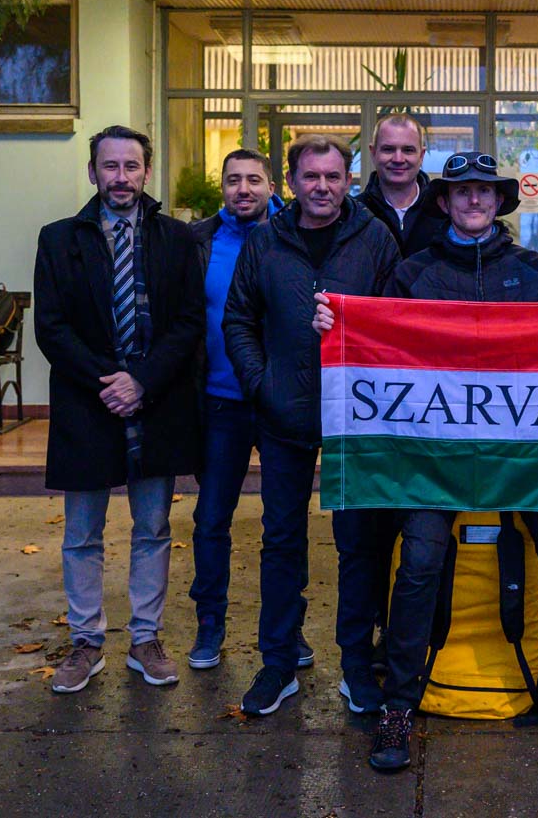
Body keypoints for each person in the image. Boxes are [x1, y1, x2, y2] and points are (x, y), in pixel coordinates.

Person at [313, 152, 538, 771]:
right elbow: (377, 346)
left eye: (484, 191)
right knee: (419, 562)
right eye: (461, 192)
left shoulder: (534, 272)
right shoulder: (414, 272)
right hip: (435, 460)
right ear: (444, 202)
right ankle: (399, 702)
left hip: (524, 458)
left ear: (500, 200)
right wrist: (338, 322)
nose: (474, 200)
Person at [222, 135, 401, 718]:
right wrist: (262, 384)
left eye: (332, 176)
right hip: (284, 412)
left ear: (349, 180)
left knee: (358, 544)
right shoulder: (266, 241)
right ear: (292, 182)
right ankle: (278, 661)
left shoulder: (375, 238)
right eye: (311, 176)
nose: (322, 187)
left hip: (355, 417)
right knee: (280, 539)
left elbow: (396, 320)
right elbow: (239, 318)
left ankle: (356, 664)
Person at [34, 124, 204, 694]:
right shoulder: (58, 239)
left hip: (156, 402)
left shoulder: (177, 239)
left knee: (153, 528)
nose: (121, 177)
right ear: (93, 172)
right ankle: (86, 642)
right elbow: (51, 328)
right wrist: (109, 382)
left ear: (146, 172)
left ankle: (145, 639)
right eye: (110, 166)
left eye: (131, 166)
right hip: (88, 403)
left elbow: (189, 323)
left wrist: (142, 381)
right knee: (82, 532)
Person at [185, 149, 284, 671]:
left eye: (253, 180)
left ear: (272, 186)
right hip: (219, 401)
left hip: (279, 402)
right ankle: (210, 624)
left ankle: (285, 629)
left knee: (283, 523)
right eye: (233, 180)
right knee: (210, 519)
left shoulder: (293, 236)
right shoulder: (198, 241)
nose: (243, 189)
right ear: (222, 186)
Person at [360, 112, 445, 257]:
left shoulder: (444, 213)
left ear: (421, 155)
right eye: (388, 149)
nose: (398, 159)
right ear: (373, 153)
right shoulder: (355, 214)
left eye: (408, 150)